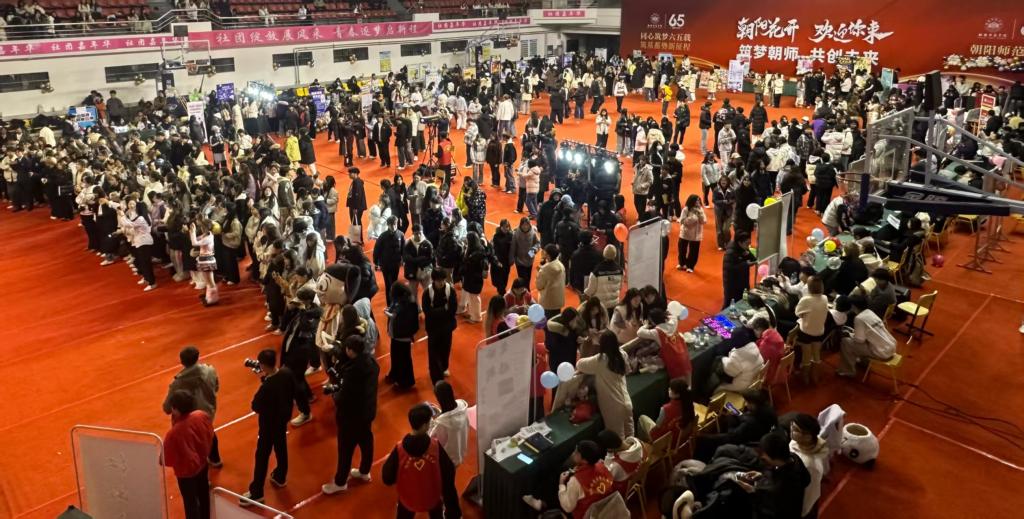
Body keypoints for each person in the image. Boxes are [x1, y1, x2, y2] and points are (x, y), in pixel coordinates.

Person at [382, 403, 462, 519]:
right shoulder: (435, 447)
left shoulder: (399, 449)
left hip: (408, 499)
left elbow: (387, 478)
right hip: (432, 497)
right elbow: (449, 472)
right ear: (424, 425)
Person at [322, 336, 380, 495]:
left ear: (350, 351)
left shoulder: (353, 371)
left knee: (345, 449)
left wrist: (334, 393)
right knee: (366, 441)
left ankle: (340, 482)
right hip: (367, 411)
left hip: (351, 416)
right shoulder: (372, 362)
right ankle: (364, 471)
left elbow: (344, 396)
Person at [243, 349, 296, 505]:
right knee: (281, 447)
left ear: (263, 365)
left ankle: (256, 492)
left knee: (262, 456)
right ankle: (280, 476)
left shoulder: (267, 387)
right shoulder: (287, 373)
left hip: (268, 425)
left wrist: (264, 381)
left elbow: (256, 406)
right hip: (282, 420)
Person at [162, 346, 221, 469]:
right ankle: (215, 459)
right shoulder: (210, 370)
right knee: (210, 432)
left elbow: (167, 407)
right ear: (197, 357)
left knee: (193, 443)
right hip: (208, 411)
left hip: (190, 420)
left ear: (182, 361)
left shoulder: (178, 383)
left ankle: (199, 467)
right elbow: (216, 387)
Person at [521, 440, 615, 517]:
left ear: (584, 460)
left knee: (559, 490)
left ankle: (543, 504)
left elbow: (567, 507)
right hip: (605, 507)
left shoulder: (576, 481)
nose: (573, 453)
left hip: (585, 514)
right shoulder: (602, 466)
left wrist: (561, 484)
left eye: (576, 452)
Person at [162, 391, 214, 519]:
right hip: (203, 464)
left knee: (190, 502)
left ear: (175, 409)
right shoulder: (201, 415)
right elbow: (211, 434)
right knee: (204, 495)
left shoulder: (174, 434)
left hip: (186, 473)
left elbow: (166, 460)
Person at [577, 331, 634, 438]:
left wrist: (589, 347)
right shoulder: (622, 354)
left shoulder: (600, 360)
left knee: (617, 440)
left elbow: (579, 364)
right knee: (631, 436)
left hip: (613, 406)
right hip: (626, 402)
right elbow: (627, 370)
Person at [837, 295, 897, 377]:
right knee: (863, 341)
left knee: (846, 342)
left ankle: (847, 370)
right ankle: (863, 362)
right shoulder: (870, 312)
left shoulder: (859, 318)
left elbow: (859, 340)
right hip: (891, 347)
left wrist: (850, 334)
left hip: (882, 353)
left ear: (854, 306)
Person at [789, 413, 829, 519]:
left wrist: (803, 512)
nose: (791, 430)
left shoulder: (810, 466)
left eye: (795, 429)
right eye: (791, 425)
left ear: (807, 437)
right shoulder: (796, 442)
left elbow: (810, 494)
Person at [422, 269, 458, 383]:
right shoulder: (427, 292)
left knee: (446, 348)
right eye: (438, 280)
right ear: (433, 280)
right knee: (433, 351)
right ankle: (435, 375)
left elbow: (453, 309)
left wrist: (437, 311)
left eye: (443, 280)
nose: (441, 282)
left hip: (447, 326)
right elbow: (427, 311)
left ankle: (444, 367)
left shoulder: (450, 290)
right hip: (433, 327)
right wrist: (444, 309)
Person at [638, 377, 695, 444]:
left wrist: (651, 435)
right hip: (682, 440)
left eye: (671, 390)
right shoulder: (689, 405)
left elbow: (657, 427)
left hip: (667, 442)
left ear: (677, 395)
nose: (669, 390)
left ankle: (643, 444)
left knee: (642, 418)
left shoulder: (665, 409)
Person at [795, 277, 829, 384]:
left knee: (806, 356)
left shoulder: (806, 300)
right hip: (819, 331)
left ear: (809, 287)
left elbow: (798, 313)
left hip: (806, 331)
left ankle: (805, 376)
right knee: (816, 355)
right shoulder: (825, 298)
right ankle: (815, 376)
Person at [428, 381, 470, 467]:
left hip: (448, 460)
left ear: (439, 399)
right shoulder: (462, 406)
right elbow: (451, 416)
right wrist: (440, 414)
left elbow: (432, 441)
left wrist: (431, 421)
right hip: (460, 452)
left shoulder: (442, 424)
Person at [596, 429, 648, 495]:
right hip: (638, 474)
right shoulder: (638, 442)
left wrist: (608, 457)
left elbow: (607, 475)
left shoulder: (618, 465)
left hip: (623, 489)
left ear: (609, 449)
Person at [374, 216, 405, 305]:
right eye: (391, 225)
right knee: (388, 285)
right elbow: (377, 250)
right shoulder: (383, 236)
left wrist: (403, 259)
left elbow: (403, 249)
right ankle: (389, 304)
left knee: (394, 283)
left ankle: (395, 302)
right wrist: (376, 262)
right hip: (385, 264)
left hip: (395, 264)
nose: (393, 226)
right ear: (388, 225)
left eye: (395, 224)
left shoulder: (401, 235)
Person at [584, 244, 624, 314]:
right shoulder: (620, 271)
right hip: (614, 304)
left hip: (600, 306)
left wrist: (585, 293)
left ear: (604, 254)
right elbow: (620, 287)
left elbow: (591, 290)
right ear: (615, 255)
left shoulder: (596, 271)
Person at [722, 232, 755, 308]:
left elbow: (753, 259)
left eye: (749, 244)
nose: (748, 246)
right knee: (729, 305)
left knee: (741, 302)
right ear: (740, 242)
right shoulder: (730, 252)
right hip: (732, 284)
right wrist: (746, 264)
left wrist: (748, 254)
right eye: (747, 244)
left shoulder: (743, 248)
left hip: (742, 282)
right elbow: (730, 268)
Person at [536, 244, 566, 320]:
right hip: (558, 298)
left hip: (548, 301)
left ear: (548, 255)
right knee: (556, 319)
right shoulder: (561, 265)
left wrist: (539, 271)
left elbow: (539, 286)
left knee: (547, 321)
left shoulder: (545, 269)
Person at [751, 317, 785, 383]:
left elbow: (759, 361)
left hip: (768, 375)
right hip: (779, 368)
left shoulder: (765, 344)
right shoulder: (774, 333)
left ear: (759, 329)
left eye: (755, 330)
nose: (754, 332)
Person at [678, 194, 707, 272]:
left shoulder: (701, 210)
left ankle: (690, 266)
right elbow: (682, 221)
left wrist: (700, 214)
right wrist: (693, 218)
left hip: (696, 234)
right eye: (696, 200)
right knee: (682, 249)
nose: (698, 202)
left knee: (694, 251)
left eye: (699, 200)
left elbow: (704, 221)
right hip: (685, 233)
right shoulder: (686, 209)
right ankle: (682, 263)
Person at [712, 176, 735, 251]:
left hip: (728, 211)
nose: (723, 182)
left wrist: (730, 201)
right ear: (720, 181)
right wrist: (722, 201)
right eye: (722, 180)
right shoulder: (716, 190)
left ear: (728, 182)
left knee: (725, 229)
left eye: (725, 180)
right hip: (719, 211)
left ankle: (728, 243)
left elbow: (734, 199)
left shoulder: (732, 190)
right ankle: (721, 244)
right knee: (719, 230)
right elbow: (714, 200)